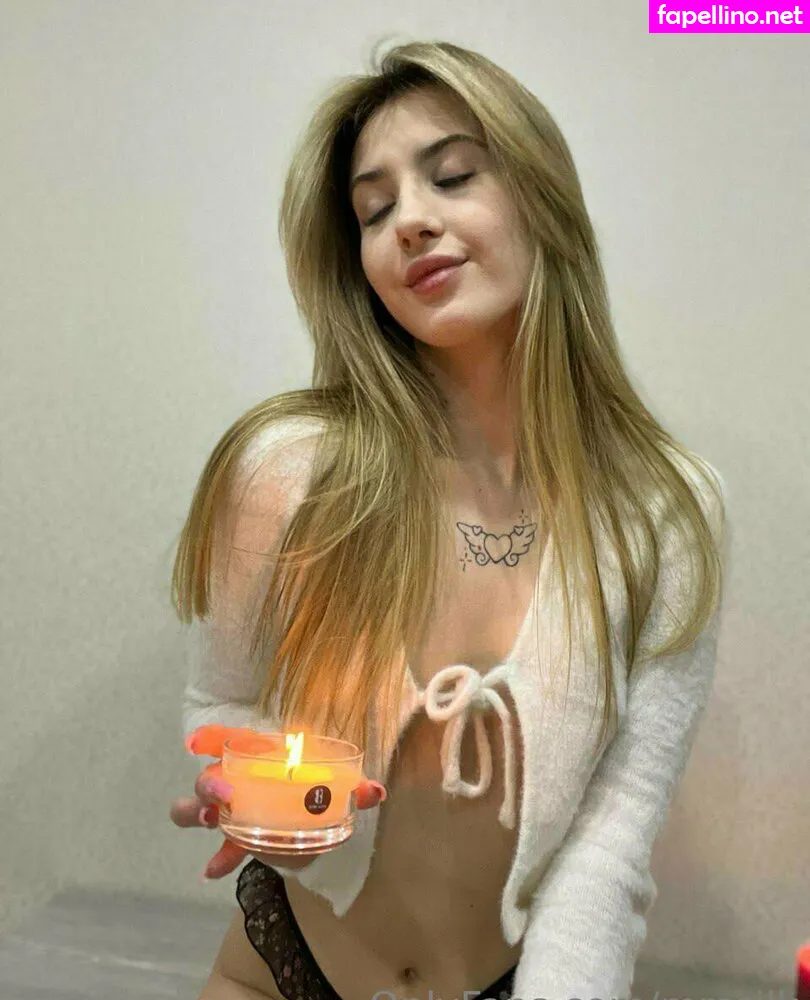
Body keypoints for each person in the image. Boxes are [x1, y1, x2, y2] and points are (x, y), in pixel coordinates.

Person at [169, 37, 728, 1000]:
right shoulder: (290, 470)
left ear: (540, 195)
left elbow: (614, 836)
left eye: (454, 176)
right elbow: (220, 702)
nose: (412, 222)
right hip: (279, 972)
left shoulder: (666, 513)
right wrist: (257, 796)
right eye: (374, 209)